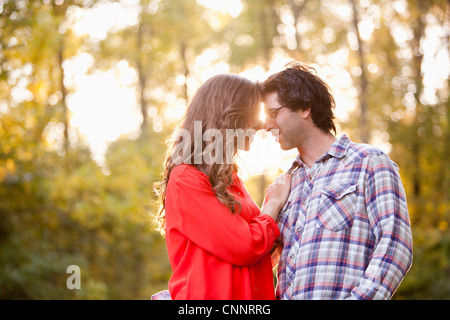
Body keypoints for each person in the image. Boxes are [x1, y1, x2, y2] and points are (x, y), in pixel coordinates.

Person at [259, 62, 413, 300]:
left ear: (304, 108)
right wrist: (270, 208)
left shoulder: (369, 163)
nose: (267, 125)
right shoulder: (283, 186)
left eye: (273, 113)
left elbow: (395, 247)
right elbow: (263, 262)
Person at [152, 74, 292, 300]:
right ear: (229, 115)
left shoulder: (229, 178)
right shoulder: (186, 179)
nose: (263, 125)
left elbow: (261, 253)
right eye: (254, 114)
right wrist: (273, 204)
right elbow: (245, 246)